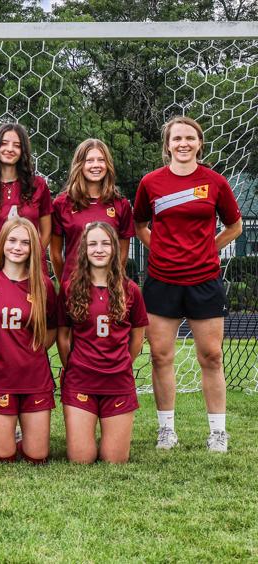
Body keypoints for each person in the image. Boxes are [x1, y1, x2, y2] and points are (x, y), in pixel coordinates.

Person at [133, 116, 242, 452]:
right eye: (177, 138)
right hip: (162, 282)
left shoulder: (214, 182)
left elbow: (235, 226)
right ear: (167, 145)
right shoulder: (151, 182)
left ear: (199, 143)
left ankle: (217, 432)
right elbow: (139, 225)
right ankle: (166, 430)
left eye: (190, 138)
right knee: (161, 356)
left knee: (211, 356)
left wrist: (209, 248)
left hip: (204, 281)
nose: (183, 144)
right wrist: (163, 251)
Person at [58, 222, 148, 463]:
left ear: (115, 249)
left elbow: (137, 337)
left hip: (118, 381)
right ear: (84, 249)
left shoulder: (130, 290)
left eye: (105, 243)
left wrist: (123, 362)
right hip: (81, 381)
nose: (99, 249)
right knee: (81, 459)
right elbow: (63, 336)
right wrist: (74, 366)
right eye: (93, 243)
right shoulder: (69, 288)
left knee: (114, 460)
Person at [0, 217, 57, 464]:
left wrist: (35, 351)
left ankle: (18, 435)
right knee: (4, 456)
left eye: (25, 242)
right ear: (1, 243)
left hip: (35, 377)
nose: (17, 247)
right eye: (12, 240)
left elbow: (52, 329)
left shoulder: (43, 285)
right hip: (0, 377)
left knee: (37, 457)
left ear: (33, 248)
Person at [0, 123, 52, 269]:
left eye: (17, 145)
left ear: (23, 151)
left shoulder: (38, 185)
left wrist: (32, 259)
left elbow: (46, 232)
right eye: (4, 143)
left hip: (32, 272)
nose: (10, 149)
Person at [50, 139, 133, 281]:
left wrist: (113, 281)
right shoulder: (62, 203)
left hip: (108, 287)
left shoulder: (121, 204)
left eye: (101, 160)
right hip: (73, 286)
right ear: (79, 165)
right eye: (89, 160)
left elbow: (123, 254)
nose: (96, 165)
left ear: (107, 165)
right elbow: (55, 254)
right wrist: (66, 284)